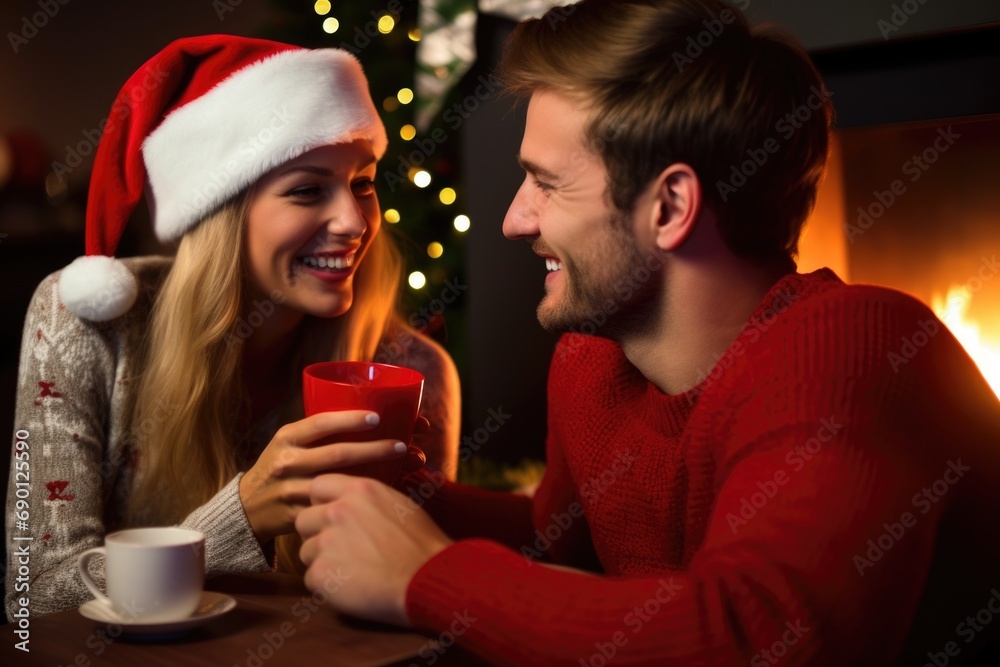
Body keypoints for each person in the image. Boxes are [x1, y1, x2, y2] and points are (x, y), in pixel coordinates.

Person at [294, 1, 1000, 665]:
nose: (515, 219)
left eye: (547, 183)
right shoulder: (592, 361)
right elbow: (559, 546)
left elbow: (760, 637)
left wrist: (428, 575)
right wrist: (400, 495)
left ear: (669, 206)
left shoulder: (858, 345)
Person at [4, 35, 460, 619]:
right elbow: (34, 597)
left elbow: (408, 605)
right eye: (306, 189)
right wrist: (239, 518)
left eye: (363, 183)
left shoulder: (410, 369)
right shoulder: (87, 321)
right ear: (221, 211)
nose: (353, 221)